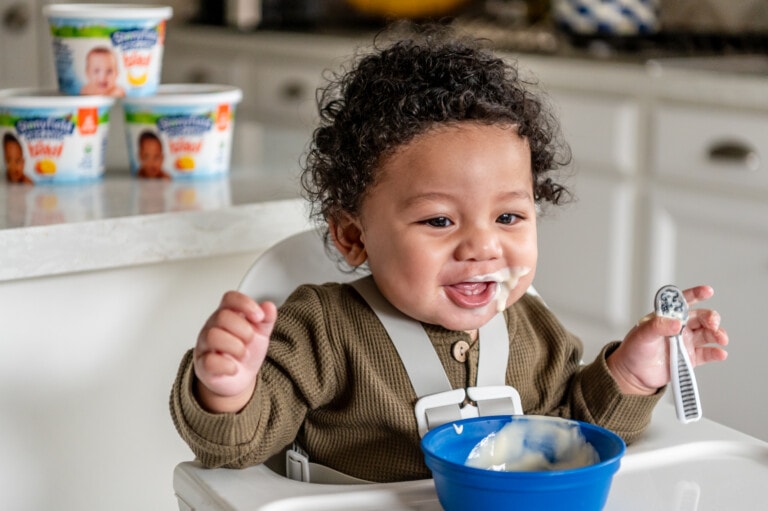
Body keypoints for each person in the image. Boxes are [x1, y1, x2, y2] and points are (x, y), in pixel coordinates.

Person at [170, 24, 728, 483]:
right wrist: (228, 389)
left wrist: (632, 372)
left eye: (509, 217)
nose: (483, 246)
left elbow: (580, 429)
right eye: (440, 220)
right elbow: (236, 449)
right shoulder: (320, 329)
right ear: (353, 236)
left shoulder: (531, 328)